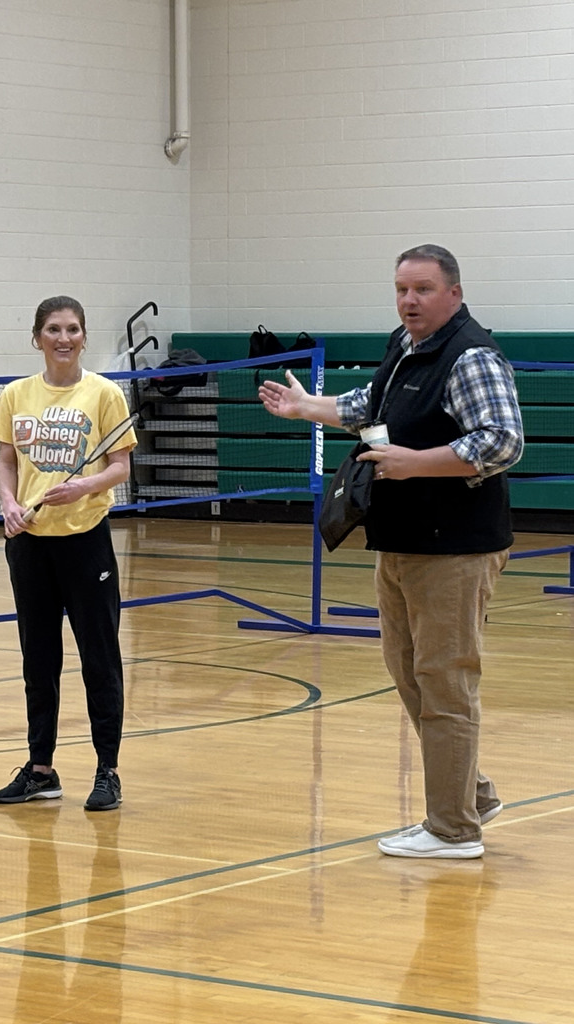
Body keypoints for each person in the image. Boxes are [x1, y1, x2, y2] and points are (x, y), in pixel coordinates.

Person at [259, 244, 524, 859]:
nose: (409, 300)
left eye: (423, 289)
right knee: (409, 675)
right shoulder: (407, 347)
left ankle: (453, 831)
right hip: (402, 542)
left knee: (445, 682)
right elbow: (368, 407)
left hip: (454, 549)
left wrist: (415, 465)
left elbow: (504, 441)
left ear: (454, 293)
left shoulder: (470, 355)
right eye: (402, 289)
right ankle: (470, 795)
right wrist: (307, 408)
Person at [0, 296, 137, 811]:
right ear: (38, 337)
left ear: (83, 337)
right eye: (54, 329)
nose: (64, 338)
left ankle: (108, 770)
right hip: (28, 542)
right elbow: (7, 461)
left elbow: (121, 467)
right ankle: (40, 770)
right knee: (39, 657)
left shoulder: (104, 394)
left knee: (99, 657)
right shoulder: (15, 394)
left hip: (85, 538)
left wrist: (83, 487)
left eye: (73, 329)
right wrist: (7, 503)